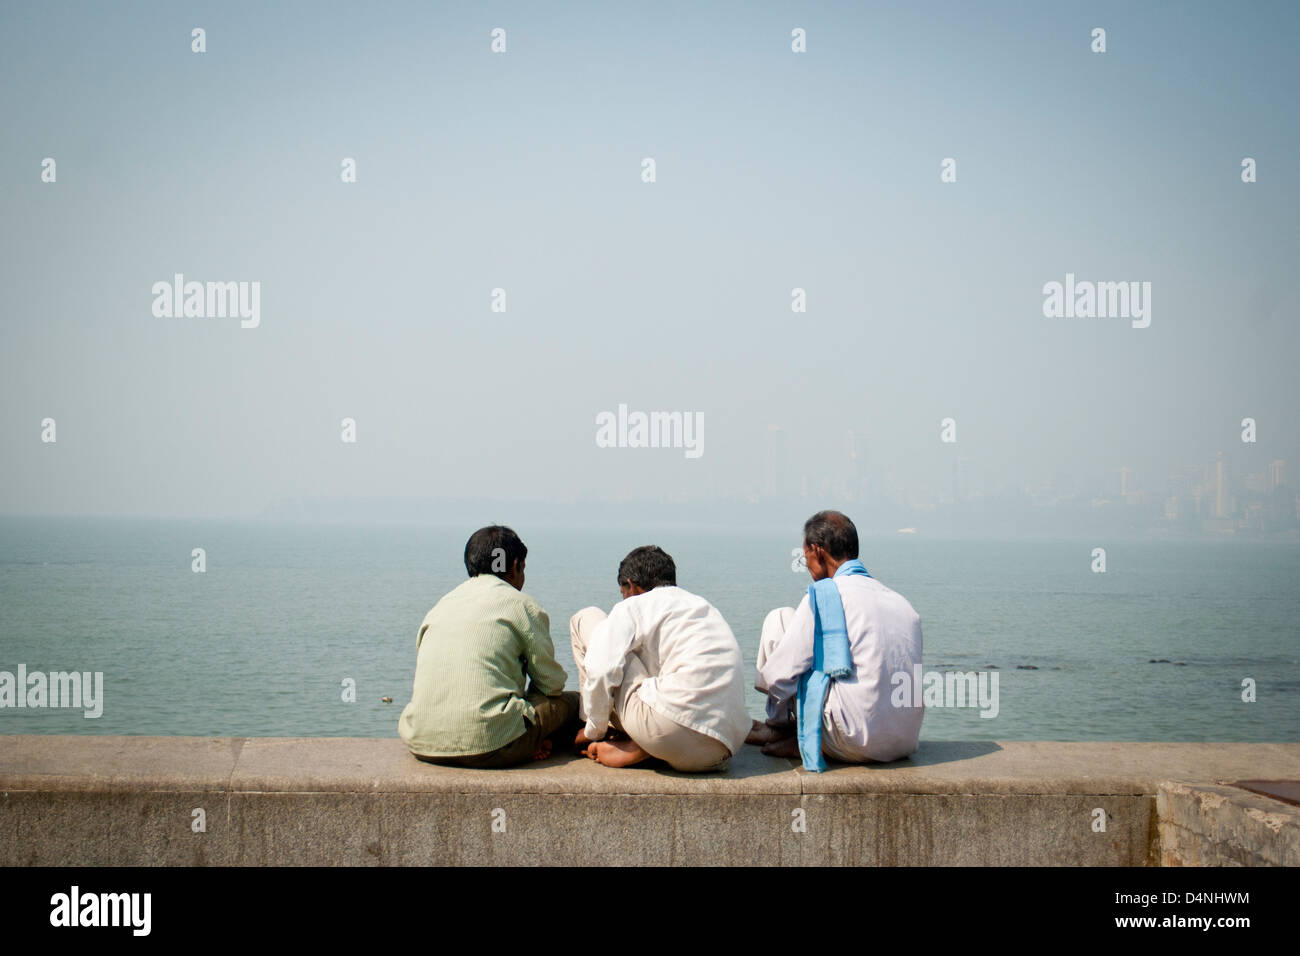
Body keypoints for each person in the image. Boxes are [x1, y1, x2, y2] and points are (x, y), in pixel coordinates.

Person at [748, 510, 923, 767]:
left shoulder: (825, 595)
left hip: (849, 740)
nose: (806, 565)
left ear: (817, 551)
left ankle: (782, 728)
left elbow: (777, 677)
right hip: (904, 741)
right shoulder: (902, 603)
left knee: (780, 619)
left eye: (805, 556)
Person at [399, 525, 578, 768]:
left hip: (421, 742)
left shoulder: (439, 607)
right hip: (491, 745)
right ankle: (536, 742)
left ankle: (531, 739)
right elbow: (552, 684)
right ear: (516, 566)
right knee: (574, 702)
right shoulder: (522, 605)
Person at [570, 545, 750, 772]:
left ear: (632, 586)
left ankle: (596, 728)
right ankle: (643, 747)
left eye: (623, 592)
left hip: (669, 728)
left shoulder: (633, 605)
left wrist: (593, 731)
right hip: (723, 747)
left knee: (588, 618)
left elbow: (602, 668)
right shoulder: (704, 608)